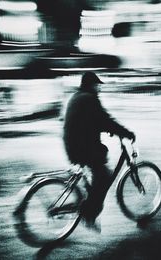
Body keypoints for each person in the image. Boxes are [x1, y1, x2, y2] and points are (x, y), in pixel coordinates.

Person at [63, 71, 135, 231]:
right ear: (91, 85)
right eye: (97, 85)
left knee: (96, 178)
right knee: (104, 176)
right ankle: (89, 215)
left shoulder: (77, 96)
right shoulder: (90, 99)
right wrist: (126, 133)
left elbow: (92, 121)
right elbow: (105, 119)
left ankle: (88, 204)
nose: (98, 89)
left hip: (73, 146)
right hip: (83, 148)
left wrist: (106, 128)